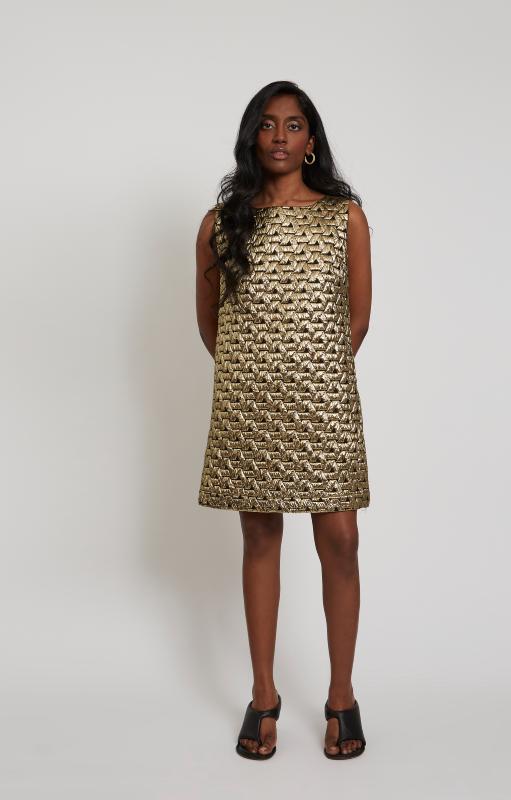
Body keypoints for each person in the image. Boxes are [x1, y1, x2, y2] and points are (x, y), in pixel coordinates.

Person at [195, 80, 372, 760]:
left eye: (294, 125)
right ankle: (263, 695)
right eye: (267, 124)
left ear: (311, 141)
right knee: (260, 535)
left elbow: (357, 322)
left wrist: (310, 375)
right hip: (250, 403)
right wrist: (257, 374)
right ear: (253, 137)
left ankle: (342, 696)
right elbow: (211, 325)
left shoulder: (344, 217)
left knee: (341, 540)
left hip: (323, 401)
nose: (279, 136)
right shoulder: (221, 222)